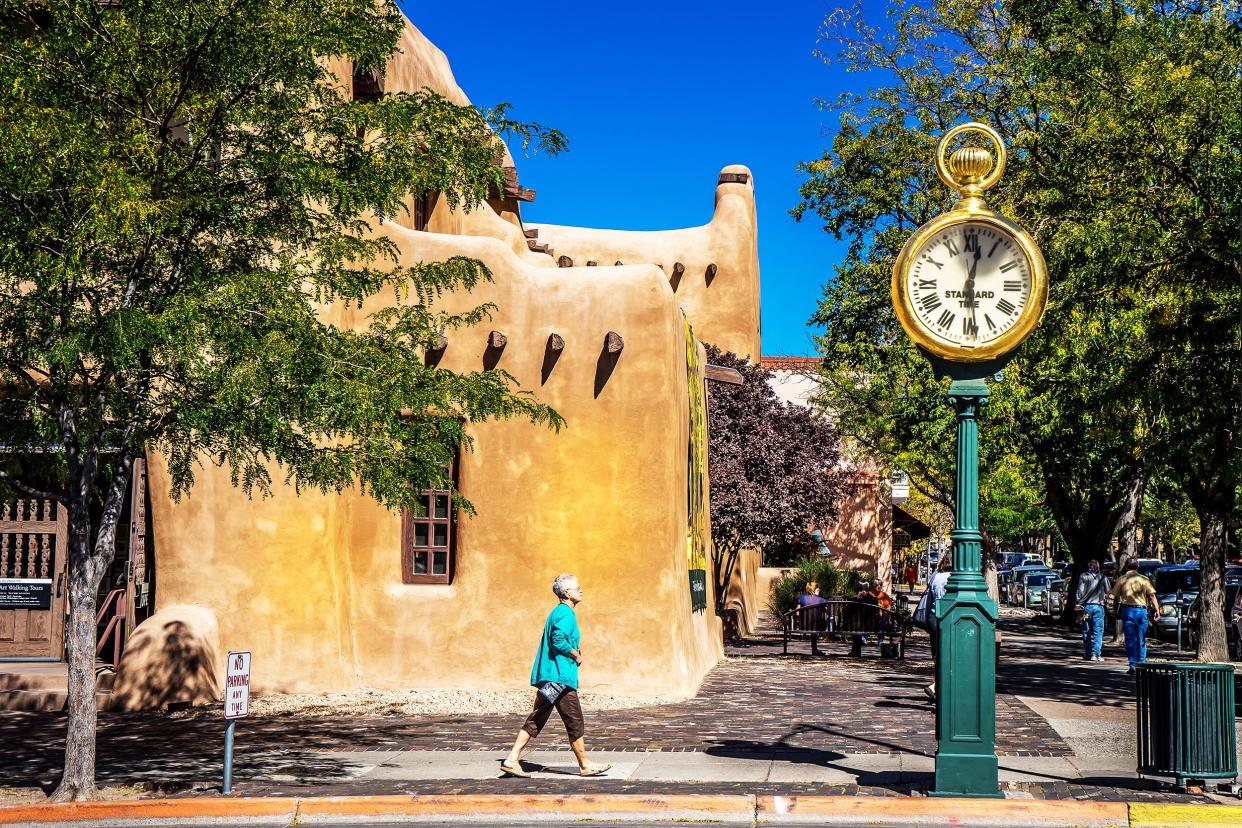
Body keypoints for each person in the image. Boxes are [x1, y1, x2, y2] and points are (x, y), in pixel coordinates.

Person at [500, 574, 611, 778]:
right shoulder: (566, 613)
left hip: (554, 677)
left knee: (539, 717)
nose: (581, 590)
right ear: (566, 593)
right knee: (574, 720)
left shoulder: (557, 612)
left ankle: (512, 759)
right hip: (560, 678)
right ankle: (585, 765)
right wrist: (575, 654)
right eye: (577, 588)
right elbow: (558, 640)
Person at [1110, 560, 1160, 673]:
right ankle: (1141, 664)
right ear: (1137, 566)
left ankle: (1133, 665)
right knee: (1141, 639)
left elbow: (1116, 597)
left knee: (1130, 640)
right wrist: (1157, 610)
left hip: (1127, 611)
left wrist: (1114, 610)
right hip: (1141, 611)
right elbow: (1152, 596)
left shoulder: (1122, 579)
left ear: (1126, 566)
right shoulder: (1144, 579)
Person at [919, 555, 953, 700]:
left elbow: (930, 598)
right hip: (946, 618)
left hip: (932, 619)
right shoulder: (953, 577)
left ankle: (938, 688)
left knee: (937, 656)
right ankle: (937, 687)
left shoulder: (935, 576)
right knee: (949, 656)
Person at [1075, 559, 1110, 661]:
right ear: (1098, 567)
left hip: (1086, 606)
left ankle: (1088, 653)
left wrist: (1079, 604)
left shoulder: (1083, 576)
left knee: (1086, 631)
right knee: (1098, 631)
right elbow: (1108, 590)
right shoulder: (1103, 577)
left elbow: (1080, 592)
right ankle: (1096, 654)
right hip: (1099, 606)